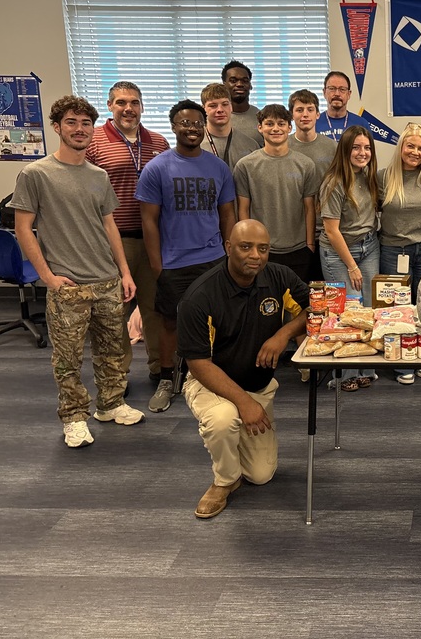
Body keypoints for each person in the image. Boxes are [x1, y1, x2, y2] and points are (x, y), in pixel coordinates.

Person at [10, 95, 144, 448]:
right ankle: (73, 417)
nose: (79, 129)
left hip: (106, 279)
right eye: (71, 122)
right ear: (57, 127)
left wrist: (125, 272)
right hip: (68, 283)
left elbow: (109, 226)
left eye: (86, 123)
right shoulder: (36, 174)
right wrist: (47, 277)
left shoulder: (98, 175)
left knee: (113, 348)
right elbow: (24, 228)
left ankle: (111, 404)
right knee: (68, 358)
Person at [178, 219, 309, 519]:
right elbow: (198, 364)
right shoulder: (199, 297)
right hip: (210, 384)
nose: (256, 255)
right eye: (245, 247)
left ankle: (239, 432)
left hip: (259, 386)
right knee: (223, 420)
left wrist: (283, 334)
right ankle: (224, 480)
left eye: (263, 248)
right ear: (228, 248)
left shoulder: (277, 276)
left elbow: (313, 307)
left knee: (261, 475)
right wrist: (244, 402)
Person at [137, 100, 237, 413]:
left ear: (203, 126)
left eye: (196, 123)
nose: (191, 128)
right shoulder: (157, 168)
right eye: (184, 123)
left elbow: (227, 216)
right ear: (174, 126)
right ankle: (168, 379)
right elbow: (149, 221)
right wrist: (157, 264)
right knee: (170, 323)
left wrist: (230, 254)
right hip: (174, 261)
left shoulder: (218, 168)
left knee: (219, 321)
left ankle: (217, 376)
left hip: (213, 259)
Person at [86, 81, 170, 391]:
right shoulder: (94, 142)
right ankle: (117, 373)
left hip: (153, 240)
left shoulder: (158, 142)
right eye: (121, 102)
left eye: (134, 102)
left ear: (142, 107)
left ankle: (160, 368)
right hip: (111, 240)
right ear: (110, 106)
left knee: (154, 307)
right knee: (114, 310)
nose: (128, 108)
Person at [319, 124, 380, 392]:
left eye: (367, 147)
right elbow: (331, 231)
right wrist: (352, 266)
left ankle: (365, 368)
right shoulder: (334, 182)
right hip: (340, 254)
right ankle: (344, 374)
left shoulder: (367, 177)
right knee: (345, 315)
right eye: (356, 147)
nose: (362, 152)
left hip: (369, 247)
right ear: (345, 149)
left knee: (367, 311)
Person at [377, 123, 421, 384]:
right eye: (410, 145)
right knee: (397, 309)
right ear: (401, 146)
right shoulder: (382, 177)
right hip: (394, 250)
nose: (415, 152)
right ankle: (401, 361)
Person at [234, 103, 319, 284]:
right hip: (261, 250)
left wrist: (310, 244)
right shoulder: (245, 165)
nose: (275, 129)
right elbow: (243, 209)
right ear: (260, 127)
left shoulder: (306, 164)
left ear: (289, 127)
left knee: (298, 305)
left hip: (299, 249)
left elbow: (310, 207)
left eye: (281, 124)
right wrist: (248, 246)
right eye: (269, 123)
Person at [288, 88, 338, 280]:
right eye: (299, 110)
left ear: (318, 114)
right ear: (292, 115)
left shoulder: (332, 147)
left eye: (310, 109)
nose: (305, 114)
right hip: (296, 233)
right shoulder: (284, 146)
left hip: (327, 231)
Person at [200, 82, 258, 170]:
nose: (220, 110)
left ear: (231, 106)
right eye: (213, 106)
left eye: (225, 104)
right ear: (203, 109)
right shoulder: (196, 145)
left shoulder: (251, 146)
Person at [317, 71, 372, 141]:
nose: (337, 94)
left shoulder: (361, 124)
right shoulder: (314, 123)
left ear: (349, 94)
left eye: (342, 89)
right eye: (332, 88)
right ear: (324, 92)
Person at [222, 60, 262, 147]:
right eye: (233, 81)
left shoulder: (261, 117)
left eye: (245, 81)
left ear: (250, 85)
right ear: (224, 85)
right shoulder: (216, 117)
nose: (239, 84)